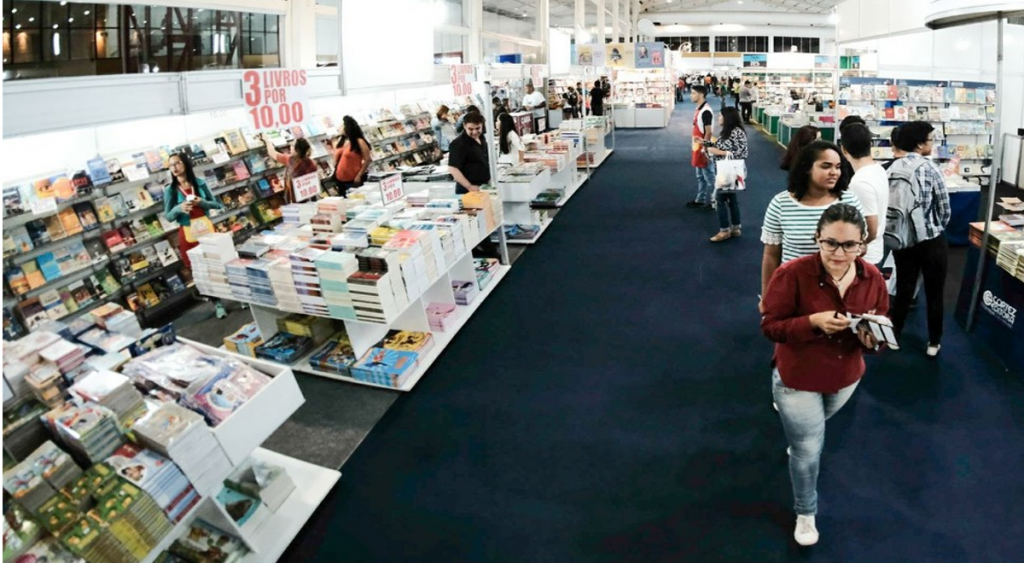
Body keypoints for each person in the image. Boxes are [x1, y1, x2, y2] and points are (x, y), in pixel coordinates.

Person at [761, 202, 889, 547]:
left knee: (814, 433)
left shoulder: (873, 277)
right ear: (817, 238)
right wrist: (812, 323)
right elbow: (770, 326)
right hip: (798, 377)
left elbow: (880, 324)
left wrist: (871, 339)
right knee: (807, 450)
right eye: (830, 243)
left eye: (849, 245)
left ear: (862, 243)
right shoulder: (792, 274)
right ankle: (806, 511)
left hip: (846, 375)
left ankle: (802, 441)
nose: (838, 252)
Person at [761, 140, 864, 302]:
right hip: (794, 289)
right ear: (807, 168)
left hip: (839, 292)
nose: (834, 172)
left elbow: (860, 246)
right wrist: (767, 296)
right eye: (826, 166)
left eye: (837, 167)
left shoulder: (849, 200)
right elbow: (771, 255)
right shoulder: (781, 203)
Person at [887, 121, 951, 358]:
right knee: (935, 291)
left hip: (903, 239)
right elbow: (945, 208)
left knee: (903, 288)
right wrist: (935, 228)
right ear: (920, 143)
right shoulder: (931, 168)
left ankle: (895, 335)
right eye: (931, 139)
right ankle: (933, 342)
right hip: (931, 240)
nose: (932, 144)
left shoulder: (892, 168)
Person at [163, 153, 227, 319]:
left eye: (177, 163)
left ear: (185, 164)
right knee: (200, 270)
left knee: (219, 262)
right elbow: (168, 216)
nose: (174, 168)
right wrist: (179, 208)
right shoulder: (169, 190)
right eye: (171, 165)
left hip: (206, 228)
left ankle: (236, 295)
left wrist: (202, 202)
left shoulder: (200, 183)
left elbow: (216, 204)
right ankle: (217, 303)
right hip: (188, 233)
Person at [840, 124, 888, 267]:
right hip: (875, 249)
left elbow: (870, 228)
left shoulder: (860, 182)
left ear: (844, 149)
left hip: (864, 255)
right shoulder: (878, 169)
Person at [703, 106, 748, 242]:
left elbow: (741, 152)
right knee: (731, 199)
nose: (719, 118)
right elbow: (723, 146)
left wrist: (719, 152)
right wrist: (706, 143)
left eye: (721, 116)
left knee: (720, 199)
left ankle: (724, 230)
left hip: (728, 172)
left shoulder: (735, 132)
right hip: (727, 171)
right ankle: (735, 227)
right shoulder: (731, 132)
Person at [260, 134, 317, 204]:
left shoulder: (290, 160)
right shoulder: (312, 162)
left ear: (296, 150)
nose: (290, 147)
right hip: (306, 196)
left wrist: (267, 140)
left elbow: (272, 153)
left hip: (293, 198)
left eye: (292, 145)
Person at [686, 85, 715, 209]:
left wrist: (705, 148)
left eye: (693, 93)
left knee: (709, 176)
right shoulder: (699, 109)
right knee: (700, 176)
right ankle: (700, 199)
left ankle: (715, 201)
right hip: (697, 147)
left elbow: (708, 132)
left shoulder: (705, 111)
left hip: (703, 148)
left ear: (701, 95)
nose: (691, 95)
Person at [447, 112, 489, 194]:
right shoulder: (458, 144)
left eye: (478, 128)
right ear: (464, 126)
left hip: (483, 186)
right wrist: (469, 186)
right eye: (470, 129)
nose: (474, 132)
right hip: (467, 189)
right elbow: (453, 169)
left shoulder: (481, 137)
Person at [333, 116, 373, 194]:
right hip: (339, 178)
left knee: (355, 200)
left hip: (353, 178)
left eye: (341, 126)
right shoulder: (341, 141)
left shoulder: (359, 141)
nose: (339, 128)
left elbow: (368, 159)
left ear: (347, 127)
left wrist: (359, 175)